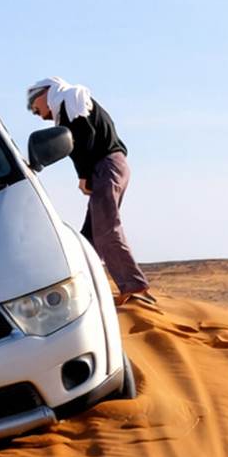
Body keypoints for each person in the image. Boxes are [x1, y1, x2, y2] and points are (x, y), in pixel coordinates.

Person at [26, 76, 158, 307]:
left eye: (35, 107)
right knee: (90, 235)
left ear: (44, 92)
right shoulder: (69, 105)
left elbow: (85, 136)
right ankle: (86, 290)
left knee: (106, 229)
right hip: (108, 168)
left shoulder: (69, 99)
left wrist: (84, 175)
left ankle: (135, 287)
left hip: (106, 167)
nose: (38, 114)